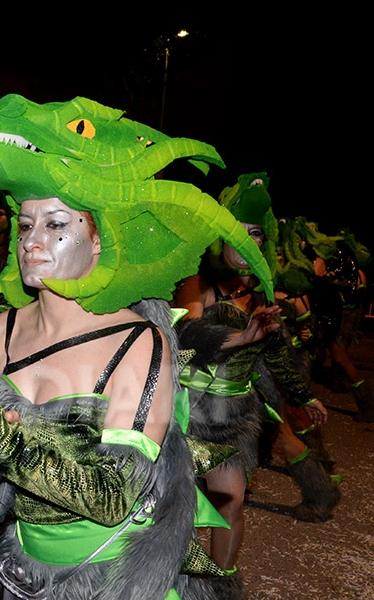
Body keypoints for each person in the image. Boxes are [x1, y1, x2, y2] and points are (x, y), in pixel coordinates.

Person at [0, 93, 261, 599]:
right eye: (26, 225)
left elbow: (115, 495)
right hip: (22, 574)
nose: (32, 241)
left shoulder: (140, 344)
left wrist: (3, 442)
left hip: (117, 582)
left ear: (99, 242)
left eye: (57, 225)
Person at [175, 173, 336, 596]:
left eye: (258, 236)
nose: (251, 245)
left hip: (234, 416)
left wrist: (305, 395)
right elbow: (187, 336)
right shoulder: (199, 283)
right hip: (188, 413)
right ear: (221, 237)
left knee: (231, 504)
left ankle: (221, 588)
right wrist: (239, 337)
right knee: (181, 510)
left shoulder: (260, 292)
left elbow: (276, 354)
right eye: (242, 234)